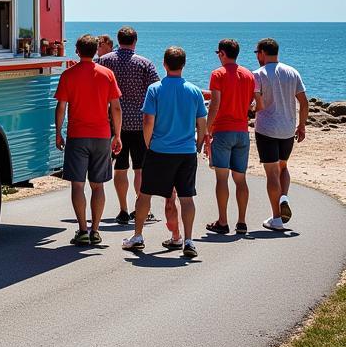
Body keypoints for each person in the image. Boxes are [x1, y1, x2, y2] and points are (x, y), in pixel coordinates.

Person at [122, 47, 207, 259]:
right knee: (186, 197)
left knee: (145, 194)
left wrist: (148, 143)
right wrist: (198, 144)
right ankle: (188, 240)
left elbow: (148, 120)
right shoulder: (194, 91)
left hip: (159, 150)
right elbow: (202, 122)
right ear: (184, 64)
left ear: (164, 64)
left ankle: (138, 235)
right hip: (186, 151)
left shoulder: (155, 89)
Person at [54, 33, 123, 246]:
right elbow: (116, 108)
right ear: (95, 51)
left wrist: (58, 132)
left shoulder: (68, 75)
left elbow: (61, 108)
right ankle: (95, 230)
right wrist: (117, 135)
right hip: (102, 136)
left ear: (77, 51)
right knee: (98, 186)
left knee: (77, 185)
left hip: (77, 136)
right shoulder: (107, 74)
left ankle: (82, 229)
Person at [98, 26, 161, 225]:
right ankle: (139, 208)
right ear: (135, 41)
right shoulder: (145, 64)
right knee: (140, 169)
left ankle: (123, 209)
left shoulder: (103, 62)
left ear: (118, 40)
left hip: (114, 125)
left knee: (120, 169)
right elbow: (156, 90)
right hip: (141, 124)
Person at [205, 38, 263, 235]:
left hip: (223, 130)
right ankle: (242, 221)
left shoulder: (217, 74)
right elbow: (255, 104)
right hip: (242, 132)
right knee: (240, 179)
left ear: (222, 53)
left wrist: (207, 128)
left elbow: (215, 104)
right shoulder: (248, 75)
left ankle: (222, 221)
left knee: (222, 179)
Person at [253, 38, 307, 232]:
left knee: (271, 173)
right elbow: (304, 101)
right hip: (287, 130)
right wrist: (301, 125)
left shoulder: (258, 74)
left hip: (266, 129)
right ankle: (284, 197)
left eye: (256, 53)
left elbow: (258, 104)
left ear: (262, 53)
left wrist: (251, 110)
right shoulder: (292, 72)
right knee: (283, 167)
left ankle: (276, 218)